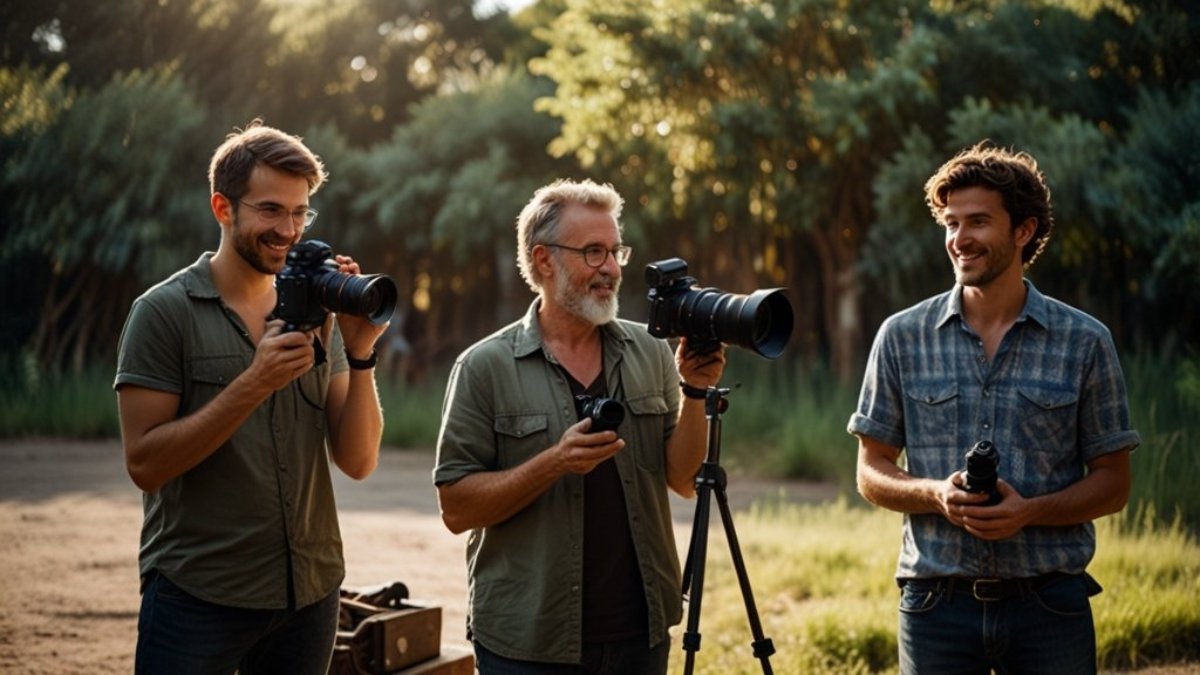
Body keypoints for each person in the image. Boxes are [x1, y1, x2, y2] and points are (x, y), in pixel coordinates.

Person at [848, 142, 1141, 674]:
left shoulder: (1085, 341)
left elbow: (1114, 484)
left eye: (978, 221)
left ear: (1023, 230)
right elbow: (871, 472)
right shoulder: (901, 337)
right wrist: (936, 494)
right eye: (951, 223)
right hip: (935, 606)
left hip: (1050, 607)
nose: (960, 239)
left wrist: (1028, 511)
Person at [113, 120, 388, 674]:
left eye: (300, 212)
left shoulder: (318, 312)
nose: (288, 230)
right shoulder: (164, 313)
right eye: (270, 210)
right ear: (223, 207)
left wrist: (360, 356)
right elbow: (144, 464)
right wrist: (254, 383)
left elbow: (357, 461)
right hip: (198, 596)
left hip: (309, 594)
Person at [433, 178, 726, 673]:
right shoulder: (484, 366)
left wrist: (695, 392)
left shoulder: (653, 351)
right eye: (593, 252)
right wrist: (553, 463)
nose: (611, 268)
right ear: (544, 259)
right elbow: (456, 508)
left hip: (641, 633)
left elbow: (682, 480)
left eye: (615, 251)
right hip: (527, 642)